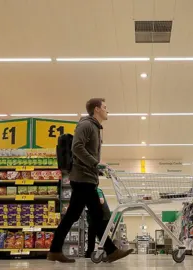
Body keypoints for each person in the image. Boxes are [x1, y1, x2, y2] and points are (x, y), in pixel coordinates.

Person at [48, 98, 133, 263]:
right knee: (97, 214)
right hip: (82, 178)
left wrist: (97, 167)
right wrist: (95, 163)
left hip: (86, 177)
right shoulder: (86, 125)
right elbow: (77, 147)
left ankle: (55, 250)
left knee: (74, 215)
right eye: (105, 107)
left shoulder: (94, 127)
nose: (107, 110)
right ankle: (111, 250)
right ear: (96, 109)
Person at [85, 187, 111, 258]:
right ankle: (108, 252)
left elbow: (101, 200)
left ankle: (90, 253)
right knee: (93, 234)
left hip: (103, 217)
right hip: (98, 217)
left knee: (95, 234)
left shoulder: (97, 190)